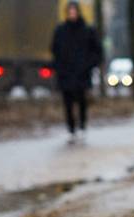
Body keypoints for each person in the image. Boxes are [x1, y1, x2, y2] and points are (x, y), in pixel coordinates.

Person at [51, 1, 102, 144]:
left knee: (82, 101)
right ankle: (71, 129)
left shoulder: (87, 30)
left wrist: (88, 65)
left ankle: (82, 126)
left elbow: (97, 51)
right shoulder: (61, 31)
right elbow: (55, 50)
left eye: (74, 11)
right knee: (67, 102)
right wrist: (59, 67)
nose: (72, 13)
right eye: (70, 11)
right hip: (66, 74)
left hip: (82, 73)